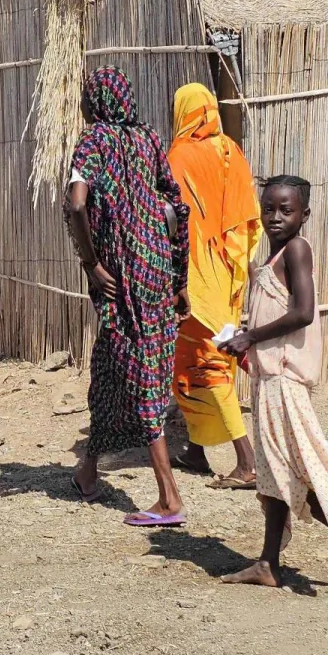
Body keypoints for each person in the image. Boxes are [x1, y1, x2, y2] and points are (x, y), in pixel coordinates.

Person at [219, 176, 328, 588]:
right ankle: (268, 563)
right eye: (269, 208)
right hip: (270, 379)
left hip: (286, 382)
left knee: (298, 469)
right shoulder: (272, 258)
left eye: (286, 210)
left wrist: (251, 336)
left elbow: (304, 312)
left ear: (304, 215)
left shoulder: (296, 250)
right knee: (275, 471)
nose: (275, 217)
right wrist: (246, 345)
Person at [62, 67, 191, 526]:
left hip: (123, 280)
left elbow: (77, 203)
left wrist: (91, 264)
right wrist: (178, 277)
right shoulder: (150, 139)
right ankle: (88, 472)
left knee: (141, 376)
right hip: (156, 271)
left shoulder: (93, 142)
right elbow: (176, 206)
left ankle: (169, 497)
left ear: (95, 101)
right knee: (109, 369)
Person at [167, 82, 261, 488]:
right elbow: (247, 218)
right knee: (198, 362)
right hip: (225, 271)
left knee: (204, 361)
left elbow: (173, 220)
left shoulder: (178, 157)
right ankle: (196, 448)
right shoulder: (231, 151)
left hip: (194, 276)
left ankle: (246, 460)